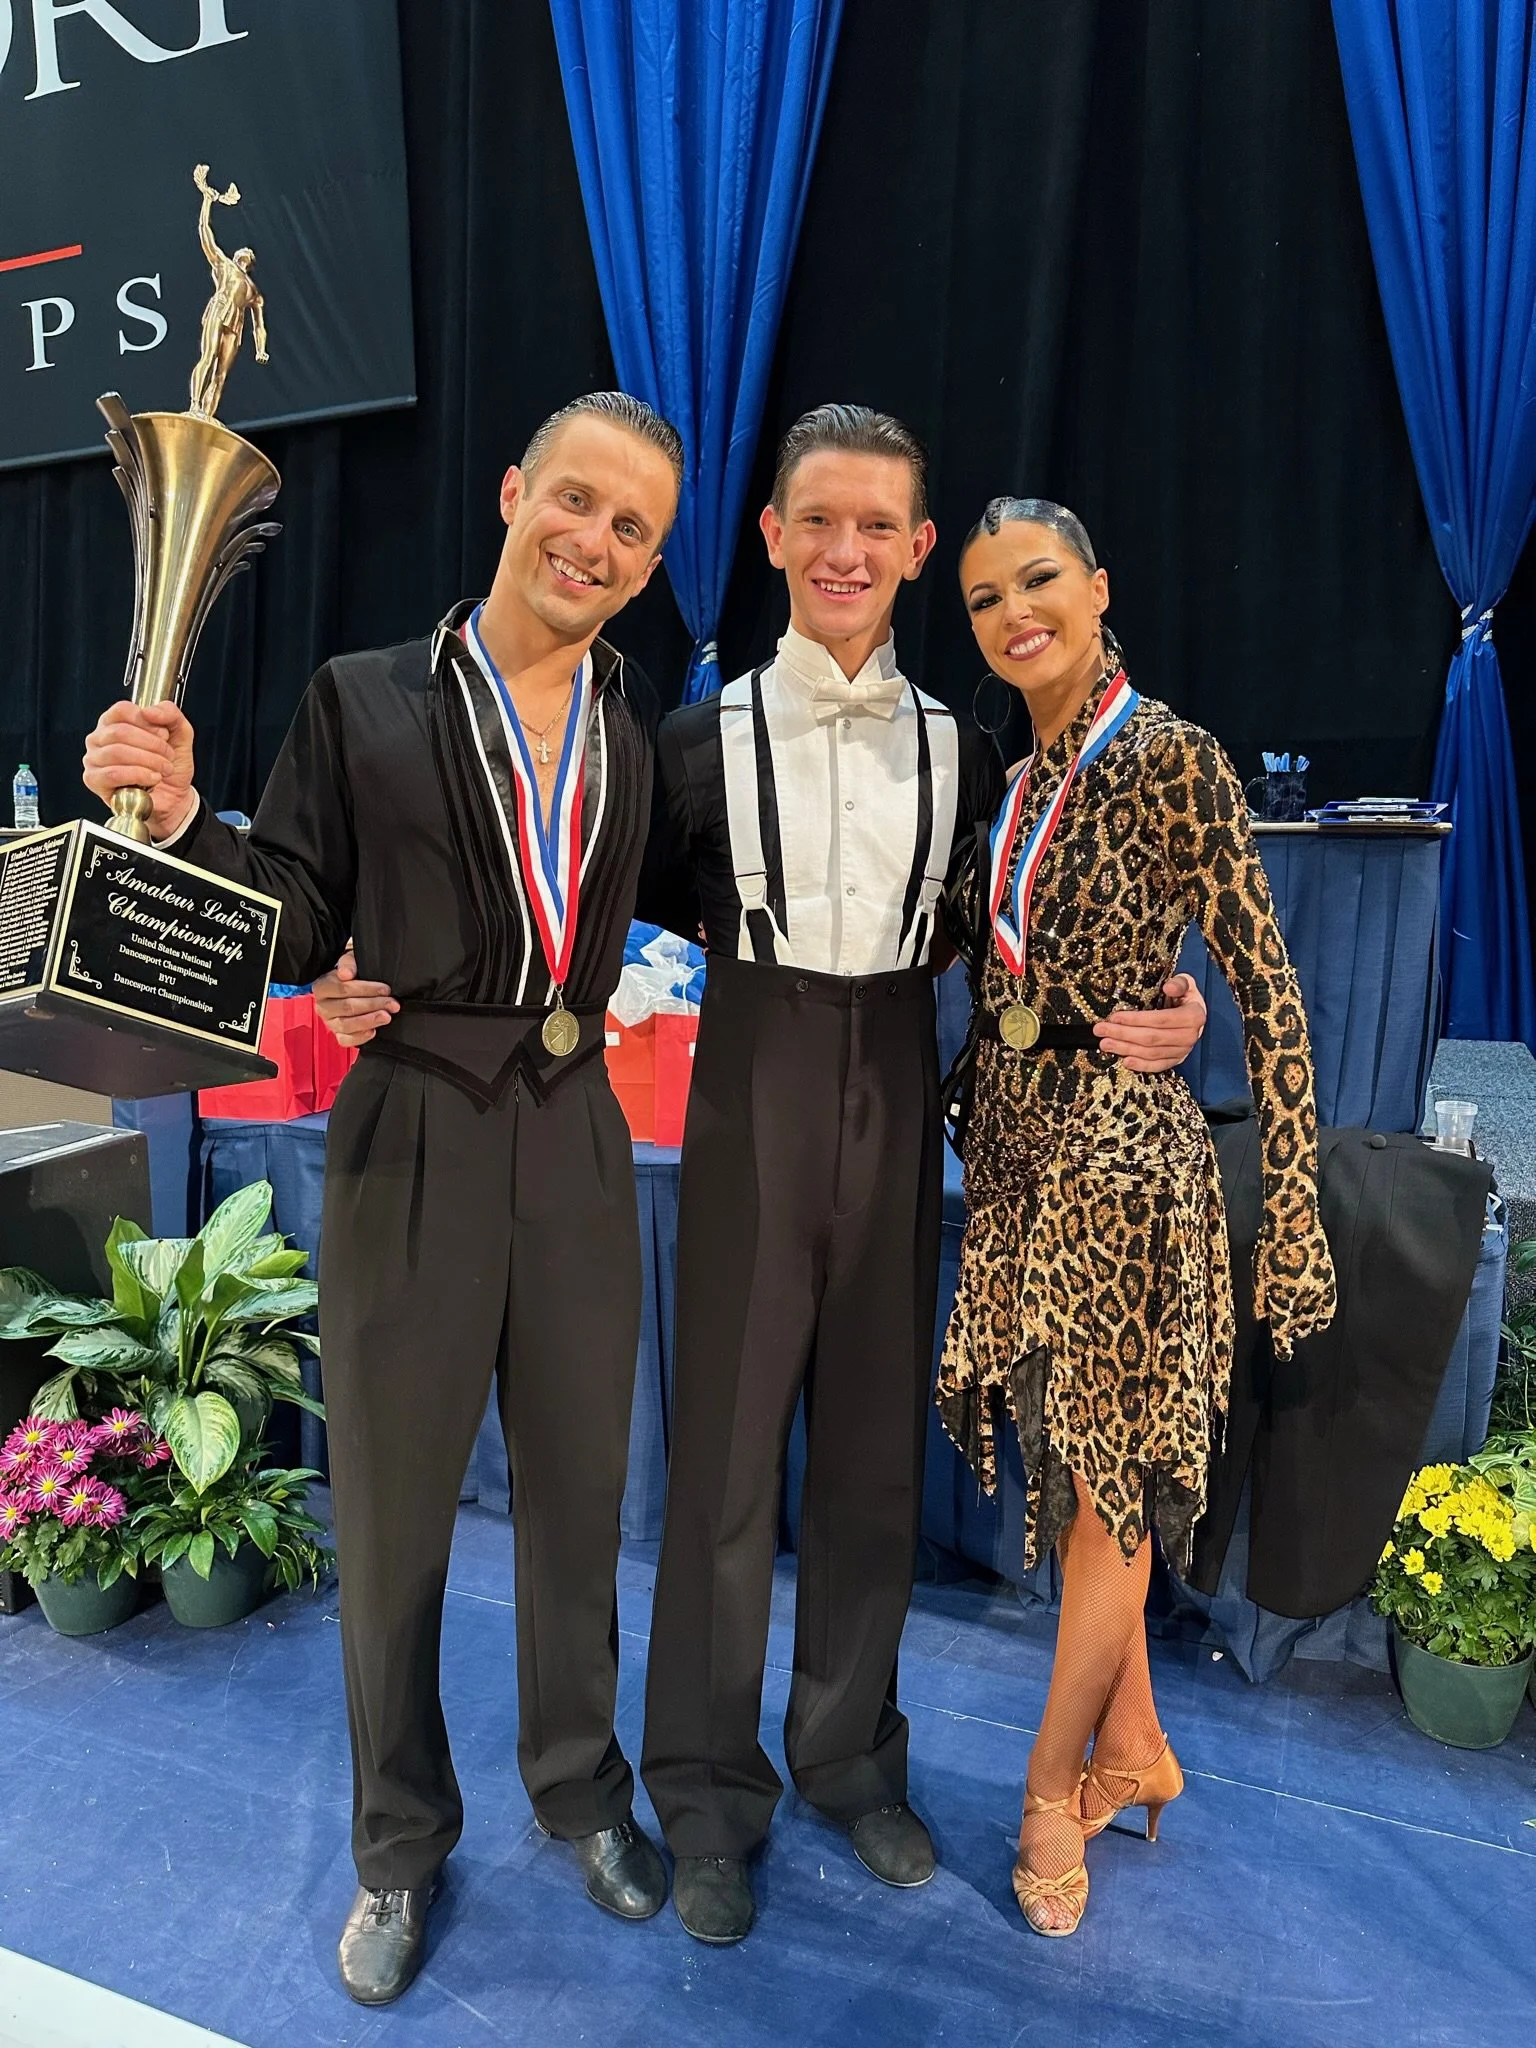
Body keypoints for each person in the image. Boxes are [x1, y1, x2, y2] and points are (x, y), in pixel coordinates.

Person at [315, 408, 1209, 1949]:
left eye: (879, 527)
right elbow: (543, 887)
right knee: (724, 1468)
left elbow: (1040, 934)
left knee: (868, 1462)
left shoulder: (966, 753)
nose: (846, 551)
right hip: (749, 1089)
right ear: (772, 537)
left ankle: (852, 1758)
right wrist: (357, 958)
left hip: (895, 1089)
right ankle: (708, 1791)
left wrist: (1172, 1007)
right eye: (818, 522)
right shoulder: (680, 742)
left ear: (918, 552)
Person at [81, 392, 686, 2007]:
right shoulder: (362, 697)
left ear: (651, 565)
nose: (595, 542)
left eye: (633, 528)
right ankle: (400, 1845)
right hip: (413, 1121)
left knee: (581, 1502)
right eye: (577, 500)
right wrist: (187, 817)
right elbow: (292, 919)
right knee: (399, 1519)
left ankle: (581, 1790)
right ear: (512, 492)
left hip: (574, 1131)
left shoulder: (642, 724)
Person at [935, 497, 1337, 1937]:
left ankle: (1053, 1791)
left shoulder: (1172, 755)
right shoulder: (1014, 781)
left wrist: (1294, 1213)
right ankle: (1140, 1745)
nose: (1014, 614)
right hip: (1018, 1151)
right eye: (985, 599)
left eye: (1038, 580)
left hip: (1123, 1165)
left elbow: (1268, 990)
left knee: (1108, 1483)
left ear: (1099, 588)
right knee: (1076, 1467)